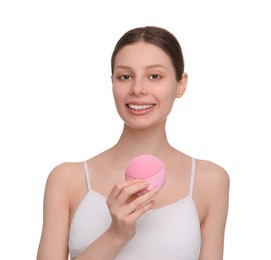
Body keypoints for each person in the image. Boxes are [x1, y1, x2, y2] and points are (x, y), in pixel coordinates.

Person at [37, 26, 230, 260]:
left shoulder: (210, 180)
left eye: (155, 76)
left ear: (181, 84)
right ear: (113, 83)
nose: (137, 89)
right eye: (125, 76)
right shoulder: (67, 179)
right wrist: (116, 235)